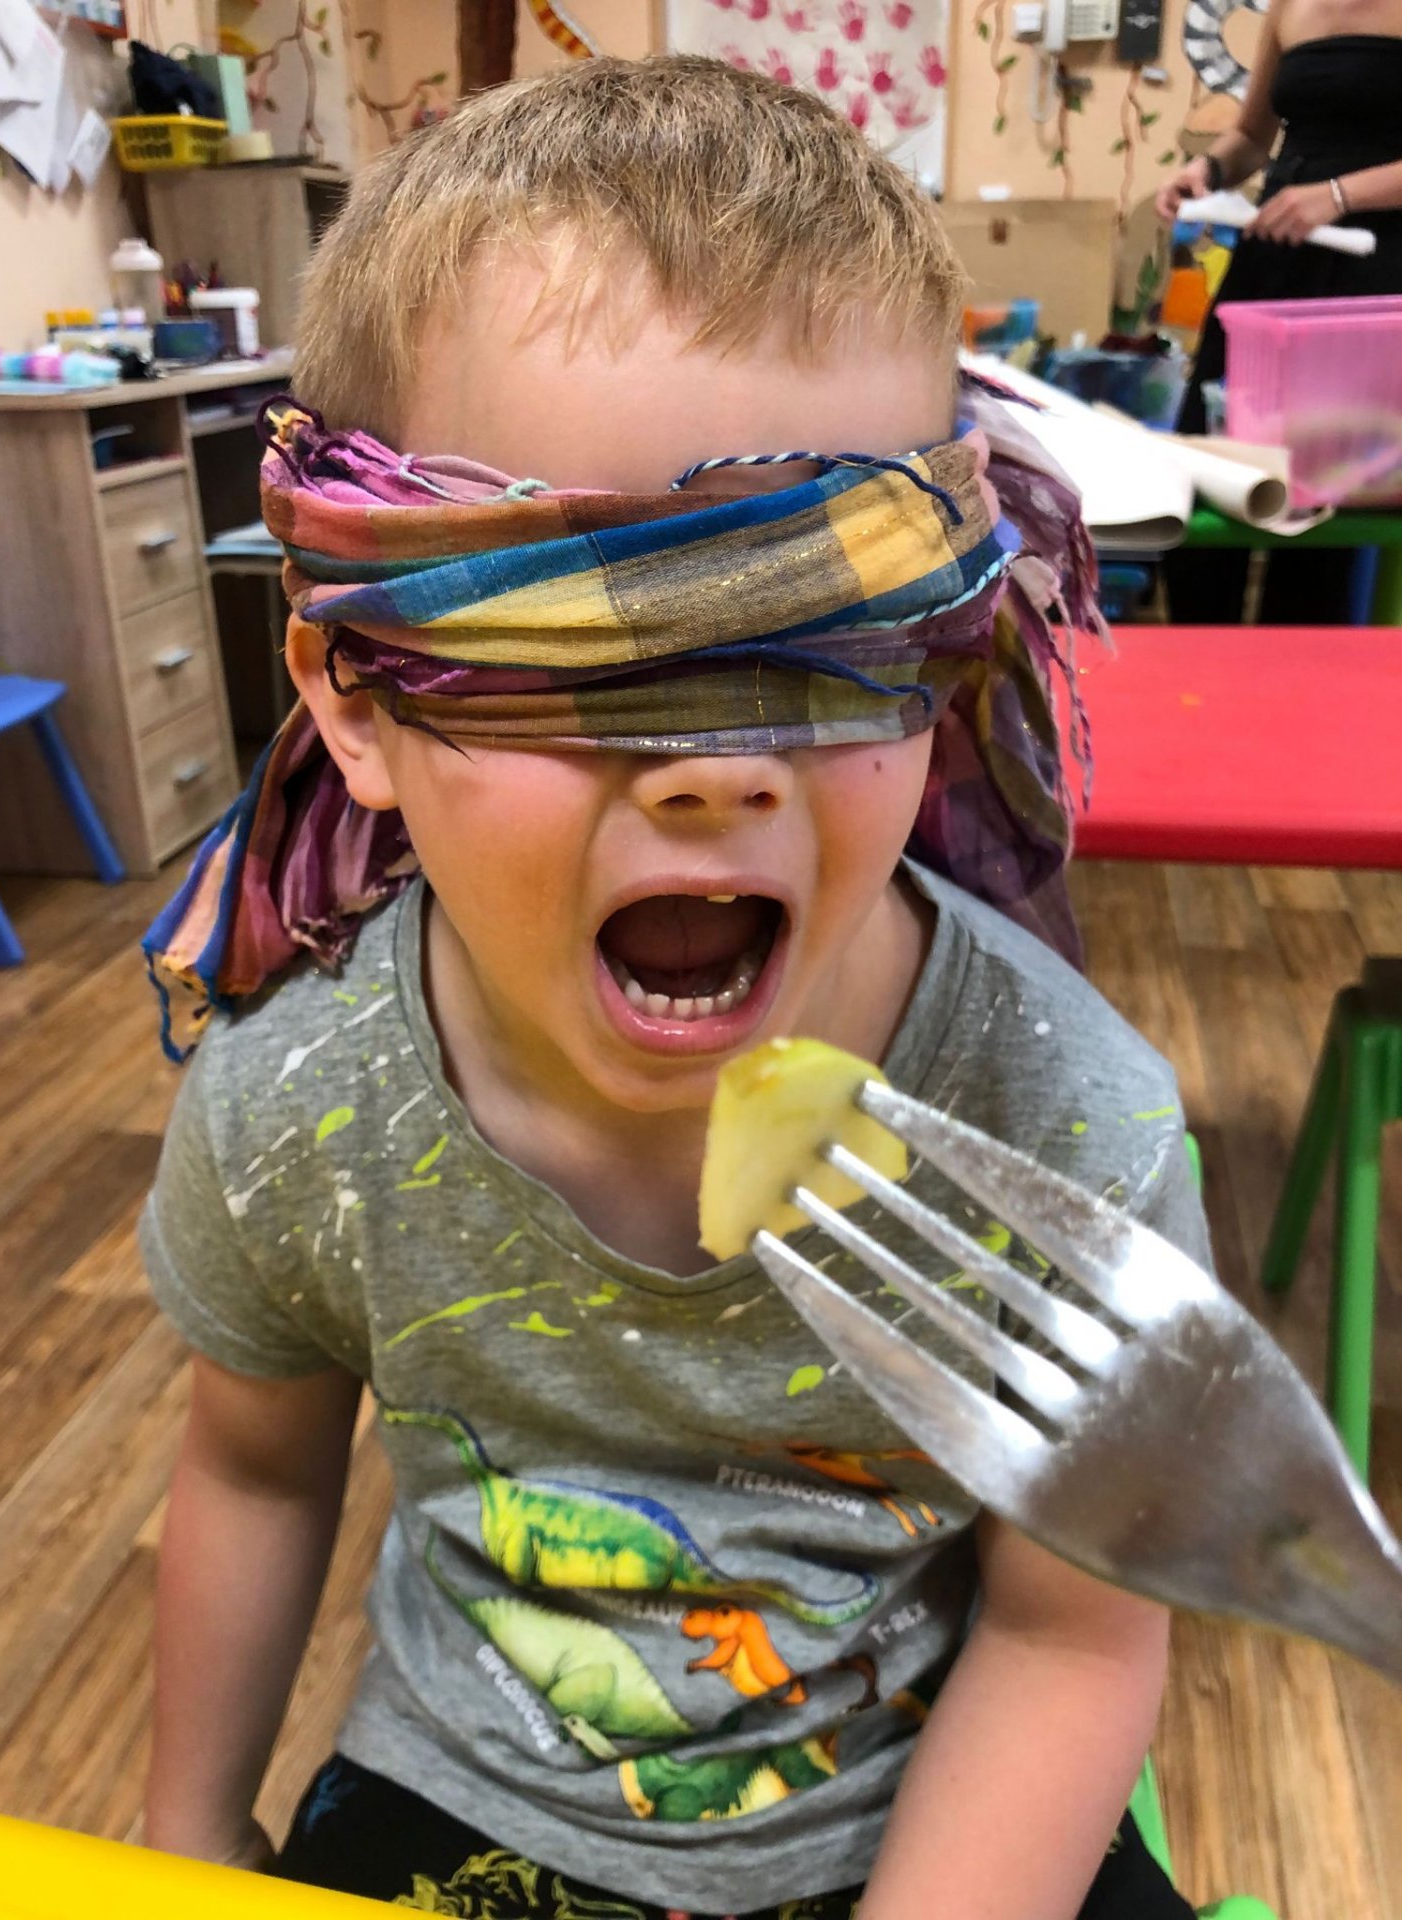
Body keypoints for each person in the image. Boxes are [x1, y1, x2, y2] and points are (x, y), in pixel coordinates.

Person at [139, 57, 1206, 1920]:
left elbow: (1074, 1630)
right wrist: (179, 1848)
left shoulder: (1063, 1128)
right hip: (468, 1791)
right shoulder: (298, 1114)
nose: (716, 767)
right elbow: (252, 1472)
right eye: (584, 642)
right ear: (359, 699)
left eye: (822, 633)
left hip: (927, 1805)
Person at [1157, 0, 1402, 623]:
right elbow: (1251, 139)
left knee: (1324, 501)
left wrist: (1339, 196)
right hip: (1272, 264)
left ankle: (1299, 671)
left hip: (1372, 276)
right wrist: (1207, 170)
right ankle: (1199, 661)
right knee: (1208, 463)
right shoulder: (1290, 8)